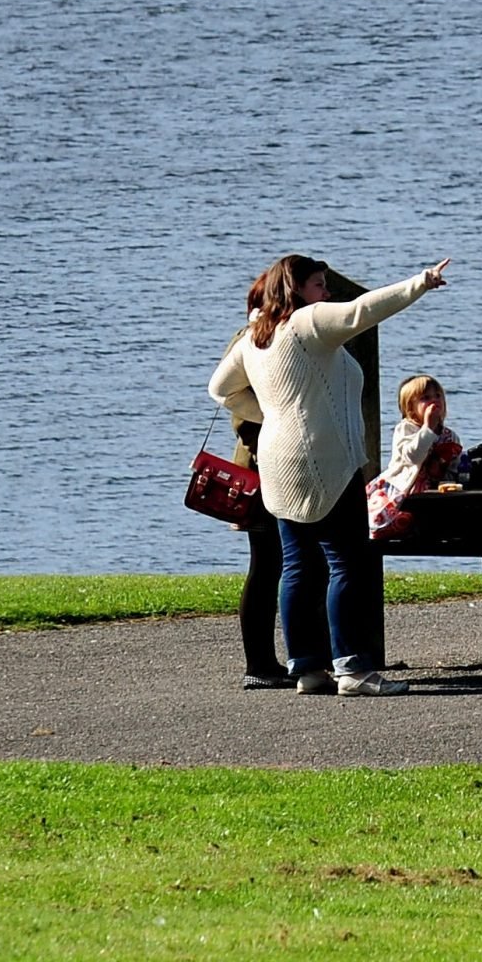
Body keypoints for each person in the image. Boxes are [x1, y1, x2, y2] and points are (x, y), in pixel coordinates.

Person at [209, 252, 449, 697]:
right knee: (349, 563)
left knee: (298, 566)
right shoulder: (307, 324)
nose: (327, 292)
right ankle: (353, 668)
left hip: (277, 460)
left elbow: (219, 389)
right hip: (325, 460)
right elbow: (366, 309)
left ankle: (308, 668)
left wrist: (272, 412)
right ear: (298, 289)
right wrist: (421, 281)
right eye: (319, 284)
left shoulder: (255, 337)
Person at [218, 281, 290, 689]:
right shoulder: (251, 341)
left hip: (268, 466)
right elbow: (240, 413)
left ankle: (270, 661)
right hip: (261, 471)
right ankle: (259, 662)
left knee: (274, 564)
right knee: (266, 565)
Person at [366, 373, 464, 540]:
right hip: (402, 490)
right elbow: (413, 457)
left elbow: (454, 463)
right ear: (411, 408)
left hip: (433, 490)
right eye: (426, 398)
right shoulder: (405, 430)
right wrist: (428, 428)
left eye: (438, 396)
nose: (434, 401)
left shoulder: (449, 436)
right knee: (383, 520)